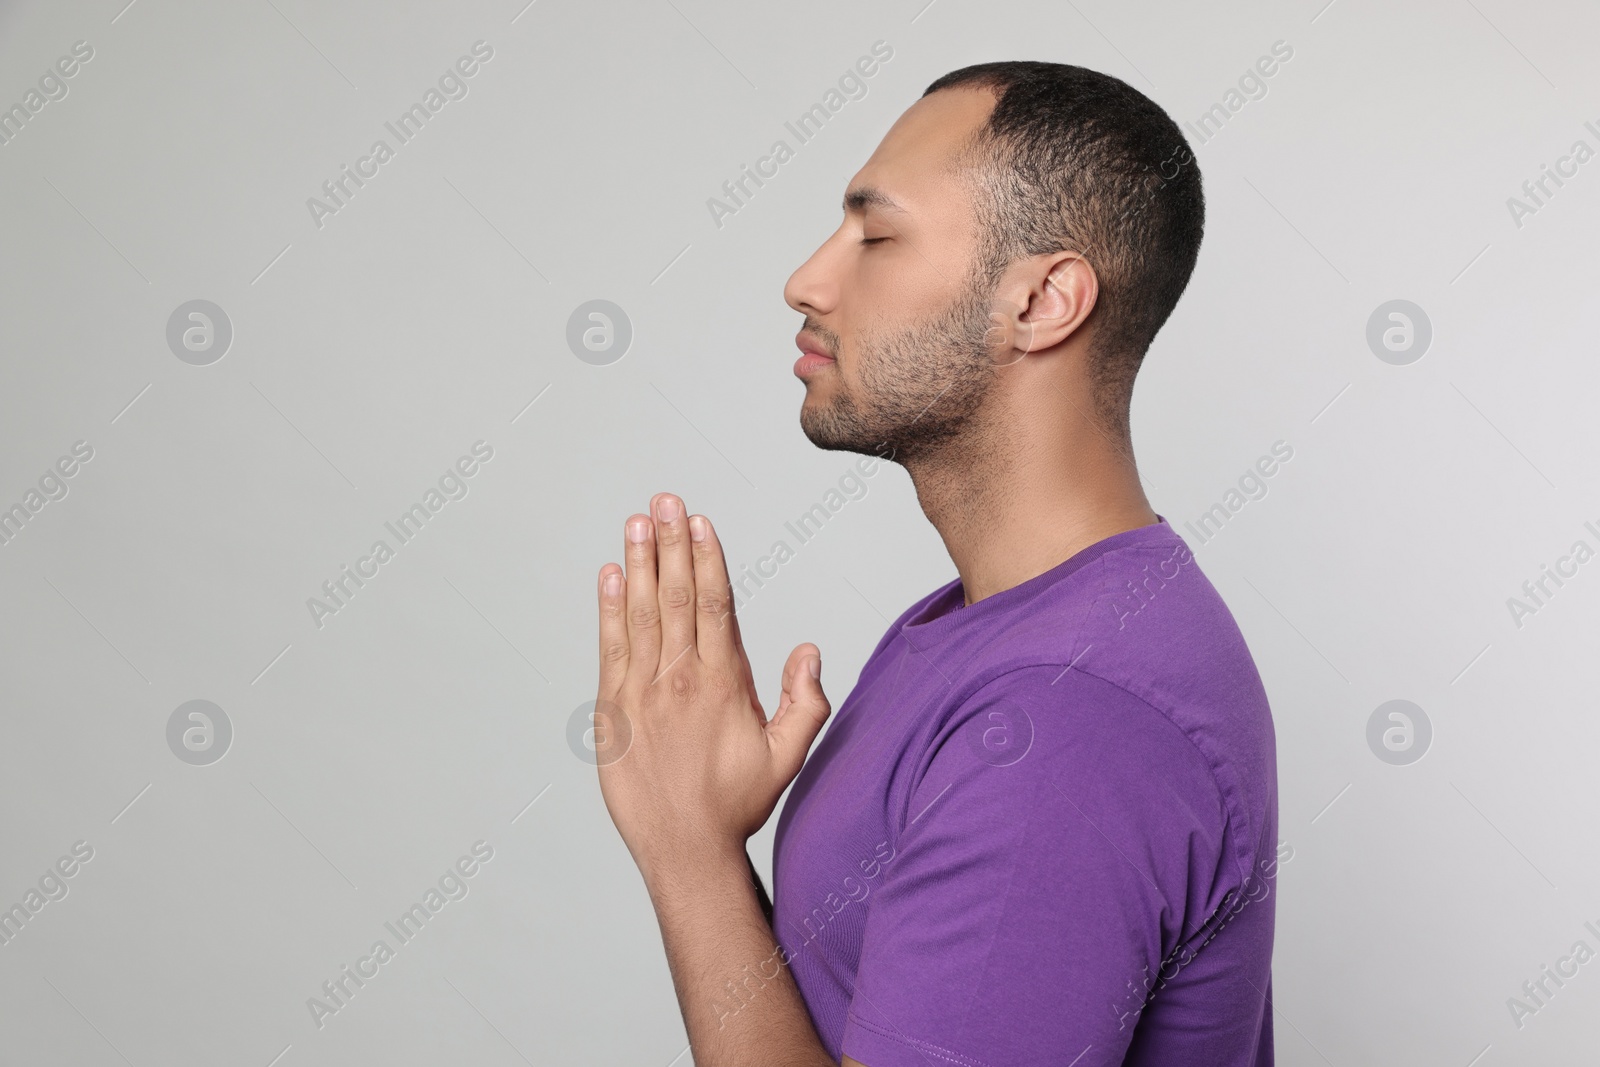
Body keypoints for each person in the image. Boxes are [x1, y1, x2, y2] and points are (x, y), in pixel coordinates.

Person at [592, 61, 1279, 1067]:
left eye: (874, 236)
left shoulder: (1064, 715)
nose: (806, 280)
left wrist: (690, 854)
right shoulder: (996, 624)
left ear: (1043, 300)